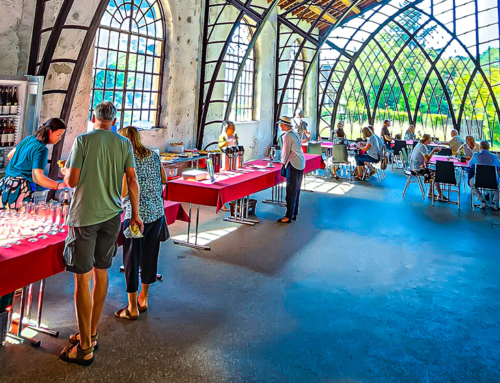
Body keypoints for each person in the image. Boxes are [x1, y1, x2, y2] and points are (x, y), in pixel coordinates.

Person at [60, 102, 142, 366]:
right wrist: (136, 214)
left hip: (84, 216)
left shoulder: (83, 140)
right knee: (101, 273)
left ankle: (84, 348)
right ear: (114, 119)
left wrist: (64, 172)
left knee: (82, 280)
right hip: (111, 216)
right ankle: (90, 333)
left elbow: (71, 182)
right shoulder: (123, 144)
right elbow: (132, 180)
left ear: (93, 117)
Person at [117, 126, 168, 319]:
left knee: (132, 259)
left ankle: (131, 307)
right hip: (156, 214)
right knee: (150, 256)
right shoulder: (153, 155)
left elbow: (123, 192)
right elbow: (164, 178)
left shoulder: (126, 159)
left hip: (135, 217)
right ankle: (143, 298)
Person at [0, 119, 67, 209]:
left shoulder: (29, 139)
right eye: (58, 135)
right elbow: (37, 177)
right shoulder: (41, 149)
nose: (60, 138)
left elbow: (10, 155)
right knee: (19, 220)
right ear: (50, 132)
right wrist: (58, 185)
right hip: (19, 190)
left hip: (5, 184)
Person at [278, 116, 305, 223]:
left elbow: (285, 152)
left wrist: (282, 164)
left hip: (293, 163)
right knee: (296, 190)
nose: (280, 126)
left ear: (285, 125)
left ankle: (288, 216)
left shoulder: (287, 136)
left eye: (281, 124)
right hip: (300, 163)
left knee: (290, 190)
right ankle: (294, 212)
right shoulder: (294, 134)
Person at [410, 134, 447, 200]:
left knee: (432, 172)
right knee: (434, 174)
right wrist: (433, 151)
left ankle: (431, 193)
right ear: (427, 140)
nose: (430, 141)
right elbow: (427, 159)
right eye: (430, 139)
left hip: (413, 167)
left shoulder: (419, 144)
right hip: (417, 169)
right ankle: (439, 194)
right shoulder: (423, 147)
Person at [468, 140, 500, 210]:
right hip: (493, 181)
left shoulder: (476, 155)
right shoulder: (494, 157)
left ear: (480, 147)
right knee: (498, 186)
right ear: (488, 148)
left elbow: (470, 165)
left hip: (478, 180)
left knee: (471, 183)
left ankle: (482, 200)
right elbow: (499, 167)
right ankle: (494, 202)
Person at [218, 121, 239, 211]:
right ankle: (223, 203)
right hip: (226, 158)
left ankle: (234, 200)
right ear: (227, 129)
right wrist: (227, 142)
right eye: (231, 128)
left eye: (234, 128)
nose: (233, 129)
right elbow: (220, 146)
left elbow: (237, 145)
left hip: (234, 157)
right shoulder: (223, 136)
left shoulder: (235, 135)